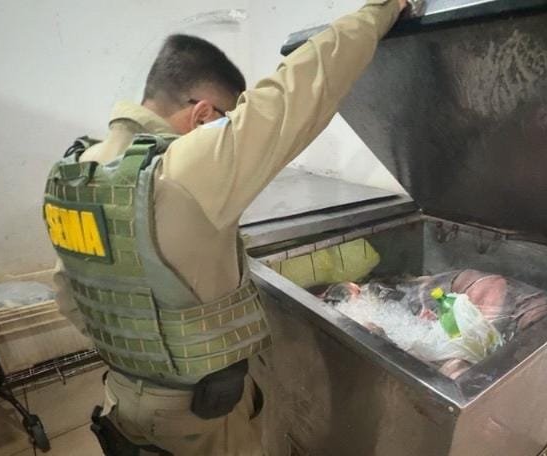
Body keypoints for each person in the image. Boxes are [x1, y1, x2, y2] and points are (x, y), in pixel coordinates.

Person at [43, 0, 410, 454]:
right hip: (199, 414)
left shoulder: (78, 171)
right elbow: (302, 87)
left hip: (121, 395)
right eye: (225, 120)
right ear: (201, 115)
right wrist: (382, 9)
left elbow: (67, 294)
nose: (227, 132)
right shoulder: (184, 169)